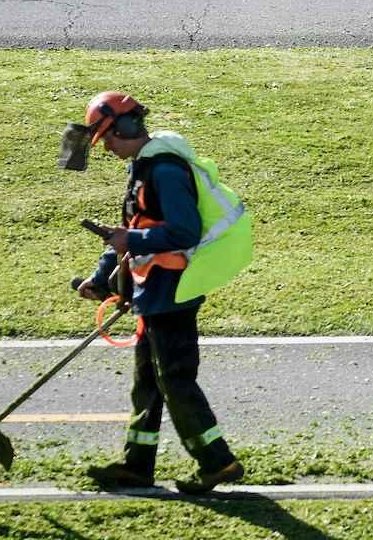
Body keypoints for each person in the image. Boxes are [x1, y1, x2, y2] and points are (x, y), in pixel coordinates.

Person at [69, 91, 252, 493]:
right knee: (148, 382)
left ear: (126, 127)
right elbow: (134, 227)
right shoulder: (143, 167)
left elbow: (182, 231)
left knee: (174, 379)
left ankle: (217, 462)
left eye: (108, 138)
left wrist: (129, 239)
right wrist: (101, 278)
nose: (108, 148)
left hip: (173, 290)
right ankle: (137, 465)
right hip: (151, 292)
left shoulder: (166, 170)